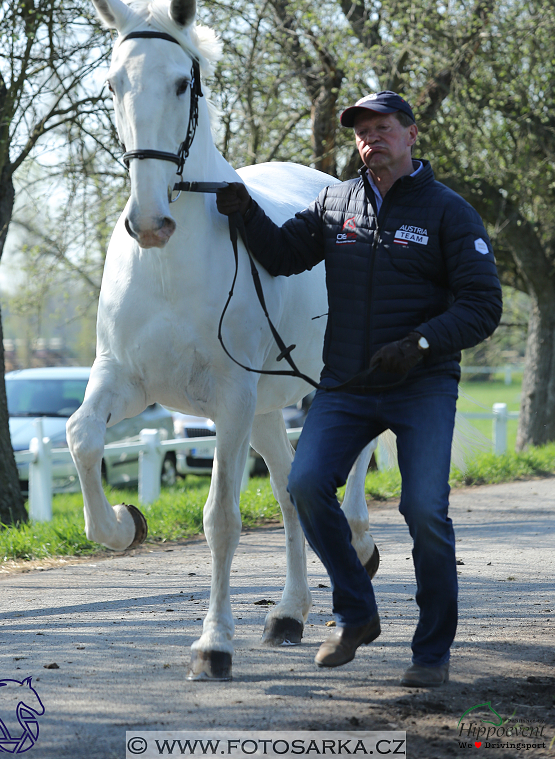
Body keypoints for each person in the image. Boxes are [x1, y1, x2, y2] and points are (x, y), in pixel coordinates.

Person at [216, 91, 502, 687]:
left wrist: (420, 343)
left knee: (424, 510)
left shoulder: (450, 213)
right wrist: (243, 213)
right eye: (362, 131)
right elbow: (285, 255)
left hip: (420, 384)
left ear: (411, 134)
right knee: (306, 484)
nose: (372, 139)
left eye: (384, 127)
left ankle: (430, 654)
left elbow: (483, 306)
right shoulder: (334, 203)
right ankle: (356, 611)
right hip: (345, 383)